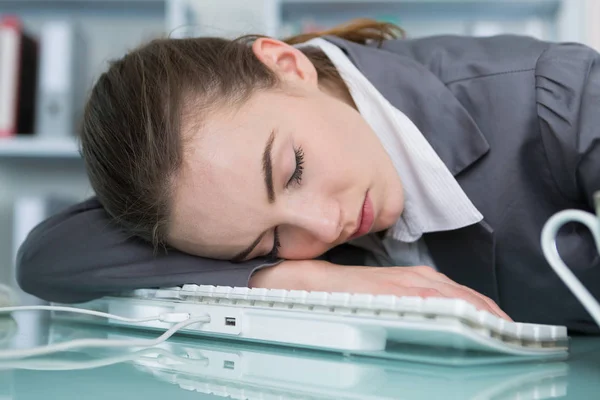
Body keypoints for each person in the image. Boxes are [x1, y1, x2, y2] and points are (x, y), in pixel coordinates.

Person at [16, 19, 600, 332]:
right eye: (269, 242)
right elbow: (47, 257)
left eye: (291, 170)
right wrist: (299, 278)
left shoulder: (556, 98)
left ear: (286, 64)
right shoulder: (266, 225)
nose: (324, 227)